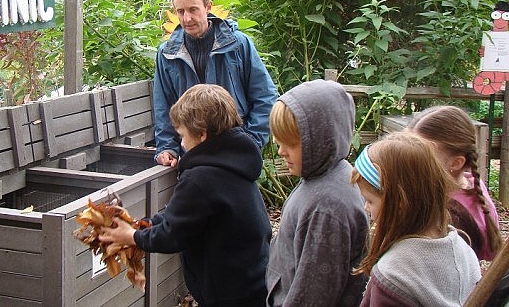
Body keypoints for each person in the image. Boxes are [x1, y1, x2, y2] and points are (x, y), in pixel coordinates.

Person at [99, 84, 272, 306]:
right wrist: (143, 225)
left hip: (227, 294)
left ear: (201, 134)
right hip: (252, 280)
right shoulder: (235, 163)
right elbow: (185, 218)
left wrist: (133, 237)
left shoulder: (200, 179)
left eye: (182, 135)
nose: (181, 143)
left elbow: (172, 235)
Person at [265, 79, 370, 306]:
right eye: (279, 142)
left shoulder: (327, 209)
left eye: (290, 143)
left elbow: (312, 297)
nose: (281, 151)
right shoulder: (324, 173)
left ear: (322, 139)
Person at [153, 0, 278, 167]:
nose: (187, 18)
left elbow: (266, 97)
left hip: (235, 156)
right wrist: (167, 148)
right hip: (192, 157)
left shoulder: (238, 45)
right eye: (180, 11)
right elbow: (163, 107)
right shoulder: (167, 54)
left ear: (207, 6)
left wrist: (250, 142)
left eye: (193, 9)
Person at [352, 132, 481, 306]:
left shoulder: (393, 276)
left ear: (399, 205)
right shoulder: (465, 253)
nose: (366, 207)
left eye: (370, 201)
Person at [407, 105, 502, 261]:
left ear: (456, 163)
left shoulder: (451, 218)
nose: (410, 160)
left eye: (422, 154)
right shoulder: (471, 182)